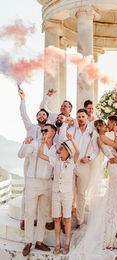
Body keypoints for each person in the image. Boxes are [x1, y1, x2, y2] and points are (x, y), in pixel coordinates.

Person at [18, 124, 57, 256]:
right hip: (32, 182)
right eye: (42, 130)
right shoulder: (34, 143)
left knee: (43, 214)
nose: (43, 132)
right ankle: (28, 242)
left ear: (53, 132)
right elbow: (20, 155)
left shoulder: (56, 148)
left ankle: (39, 241)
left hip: (47, 183)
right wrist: (25, 143)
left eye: (46, 130)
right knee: (29, 213)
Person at [38, 132, 80, 255]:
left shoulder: (72, 162)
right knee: (56, 219)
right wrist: (42, 143)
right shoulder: (55, 161)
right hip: (56, 193)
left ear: (67, 151)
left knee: (67, 219)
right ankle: (57, 244)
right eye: (59, 149)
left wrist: (71, 139)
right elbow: (41, 155)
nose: (59, 150)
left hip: (67, 194)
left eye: (61, 149)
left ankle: (66, 243)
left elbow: (78, 151)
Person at [18, 88, 50, 231]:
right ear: (37, 117)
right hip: (30, 161)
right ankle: (24, 218)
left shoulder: (50, 130)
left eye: (44, 114)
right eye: (39, 114)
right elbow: (23, 115)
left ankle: (40, 218)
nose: (41, 116)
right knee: (27, 189)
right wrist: (23, 99)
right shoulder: (31, 127)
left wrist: (47, 98)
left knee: (42, 192)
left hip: (44, 163)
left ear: (47, 117)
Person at [94, 119, 117, 249]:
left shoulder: (102, 137)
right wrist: (115, 132)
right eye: (103, 125)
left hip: (114, 164)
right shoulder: (102, 137)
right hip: (114, 165)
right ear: (99, 127)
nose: (106, 126)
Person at [68, 108, 99, 227]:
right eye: (79, 117)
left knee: (81, 193)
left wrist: (89, 157)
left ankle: (79, 220)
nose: (80, 119)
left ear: (87, 118)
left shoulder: (92, 132)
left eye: (83, 116)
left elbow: (96, 150)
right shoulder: (71, 130)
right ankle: (68, 218)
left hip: (83, 165)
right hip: (70, 164)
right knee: (69, 192)